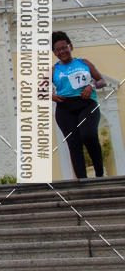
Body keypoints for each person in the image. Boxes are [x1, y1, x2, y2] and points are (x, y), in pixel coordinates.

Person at [51, 30, 106, 179]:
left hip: (87, 103)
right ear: (54, 52)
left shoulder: (84, 63)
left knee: (88, 135)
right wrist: (52, 96)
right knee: (73, 143)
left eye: (64, 47)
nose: (62, 51)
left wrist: (92, 86)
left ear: (70, 46)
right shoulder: (54, 69)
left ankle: (99, 173)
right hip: (65, 107)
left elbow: (102, 81)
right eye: (58, 49)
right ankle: (82, 180)